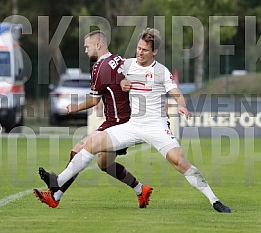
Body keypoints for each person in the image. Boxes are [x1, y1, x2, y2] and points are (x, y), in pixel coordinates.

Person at [36, 28, 231, 213]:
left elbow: (176, 92)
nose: (140, 52)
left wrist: (181, 104)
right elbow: (114, 74)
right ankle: (58, 182)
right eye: (138, 48)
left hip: (156, 126)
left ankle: (214, 200)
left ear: (154, 52)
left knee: (179, 162)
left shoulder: (161, 71)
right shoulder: (127, 65)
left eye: (145, 50)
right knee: (90, 143)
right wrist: (122, 82)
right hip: (132, 125)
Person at [33, 30, 152, 208]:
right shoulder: (119, 59)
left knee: (79, 149)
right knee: (105, 164)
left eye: (87, 46)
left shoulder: (100, 67)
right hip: (125, 120)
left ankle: (56, 193)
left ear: (98, 45)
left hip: (116, 124)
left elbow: (94, 100)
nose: (85, 50)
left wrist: (76, 107)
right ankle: (141, 190)